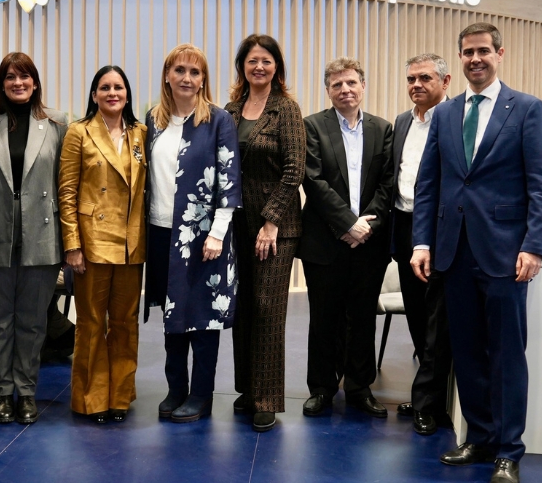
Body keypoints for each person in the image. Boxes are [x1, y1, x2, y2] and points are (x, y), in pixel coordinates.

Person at [412, 22, 542, 483]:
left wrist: (534, 246)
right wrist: (422, 242)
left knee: (507, 355)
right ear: (460, 58)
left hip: (506, 256)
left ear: (499, 54)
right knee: (468, 353)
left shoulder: (528, 109)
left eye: (483, 51)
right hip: (453, 253)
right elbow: (428, 184)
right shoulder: (445, 113)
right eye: (468, 52)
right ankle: (479, 437)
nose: (475, 59)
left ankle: (509, 451)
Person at [144, 44, 242, 423]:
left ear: (203, 80)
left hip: (205, 238)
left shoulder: (219, 120)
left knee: (203, 318)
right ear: (167, 76)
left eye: (195, 72)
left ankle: (201, 395)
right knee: (172, 316)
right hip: (161, 235)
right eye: (180, 70)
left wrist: (217, 233)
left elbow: (229, 179)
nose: (187, 78)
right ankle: (176, 388)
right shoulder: (153, 121)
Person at [0, 52, 68, 425]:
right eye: (10, 77)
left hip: (42, 235)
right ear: (1, 84)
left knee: (32, 322)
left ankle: (26, 392)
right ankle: (2, 393)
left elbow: (66, 184)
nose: (18, 83)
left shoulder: (57, 123)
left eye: (24, 76)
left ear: (35, 82)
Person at [299, 57, 393, 420]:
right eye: (337, 84)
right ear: (328, 90)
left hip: (368, 243)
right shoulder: (312, 126)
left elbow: (387, 183)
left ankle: (359, 388)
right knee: (324, 318)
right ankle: (322, 388)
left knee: (363, 318)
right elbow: (313, 181)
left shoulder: (382, 129)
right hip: (324, 241)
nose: (345, 90)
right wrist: (347, 223)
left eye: (351, 83)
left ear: (363, 86)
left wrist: (365, 227)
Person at [224, 34, 305, 433]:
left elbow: (295, 169)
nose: (259, 66)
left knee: (267, 308)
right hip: (237, 225)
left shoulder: (285, 109)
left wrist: (270, 221)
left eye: (267, 61)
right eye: (253, 60)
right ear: (242, 65)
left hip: (276, 228)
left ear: (277, 67)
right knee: (242, 309)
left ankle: (268, 399)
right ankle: (248, 388)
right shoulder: (230, 111)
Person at [58, 65, 147, 424]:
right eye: (105, 87)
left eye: (118, 87)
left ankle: (120, 396)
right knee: (92, 323)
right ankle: (91, 399)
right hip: (91, 243)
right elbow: (67, 192)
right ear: (94, 94)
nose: (112, 93)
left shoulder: (141, 133)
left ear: (127, 94)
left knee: (125, 323)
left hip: (131, 242)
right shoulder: (78, 132)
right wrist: (72, 245)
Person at [390, 54, 453, 436]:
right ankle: (429, 393)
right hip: (404, 226)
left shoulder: (455, 118)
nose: (416, 85)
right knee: (416, 314)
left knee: (436, 321)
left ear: (445, 82)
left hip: (440, 230)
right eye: (411, 78)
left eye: (425, 78)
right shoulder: (402, 121)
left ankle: (428, 402)